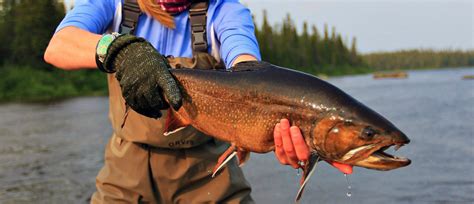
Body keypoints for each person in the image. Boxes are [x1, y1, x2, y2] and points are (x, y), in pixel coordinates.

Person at [44, 0, 311, 203]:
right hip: (125, 169)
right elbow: (59, 45)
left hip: (209, 169)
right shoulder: (114, 4)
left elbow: (247, 69)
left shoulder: (223, 10)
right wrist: (120, 50)